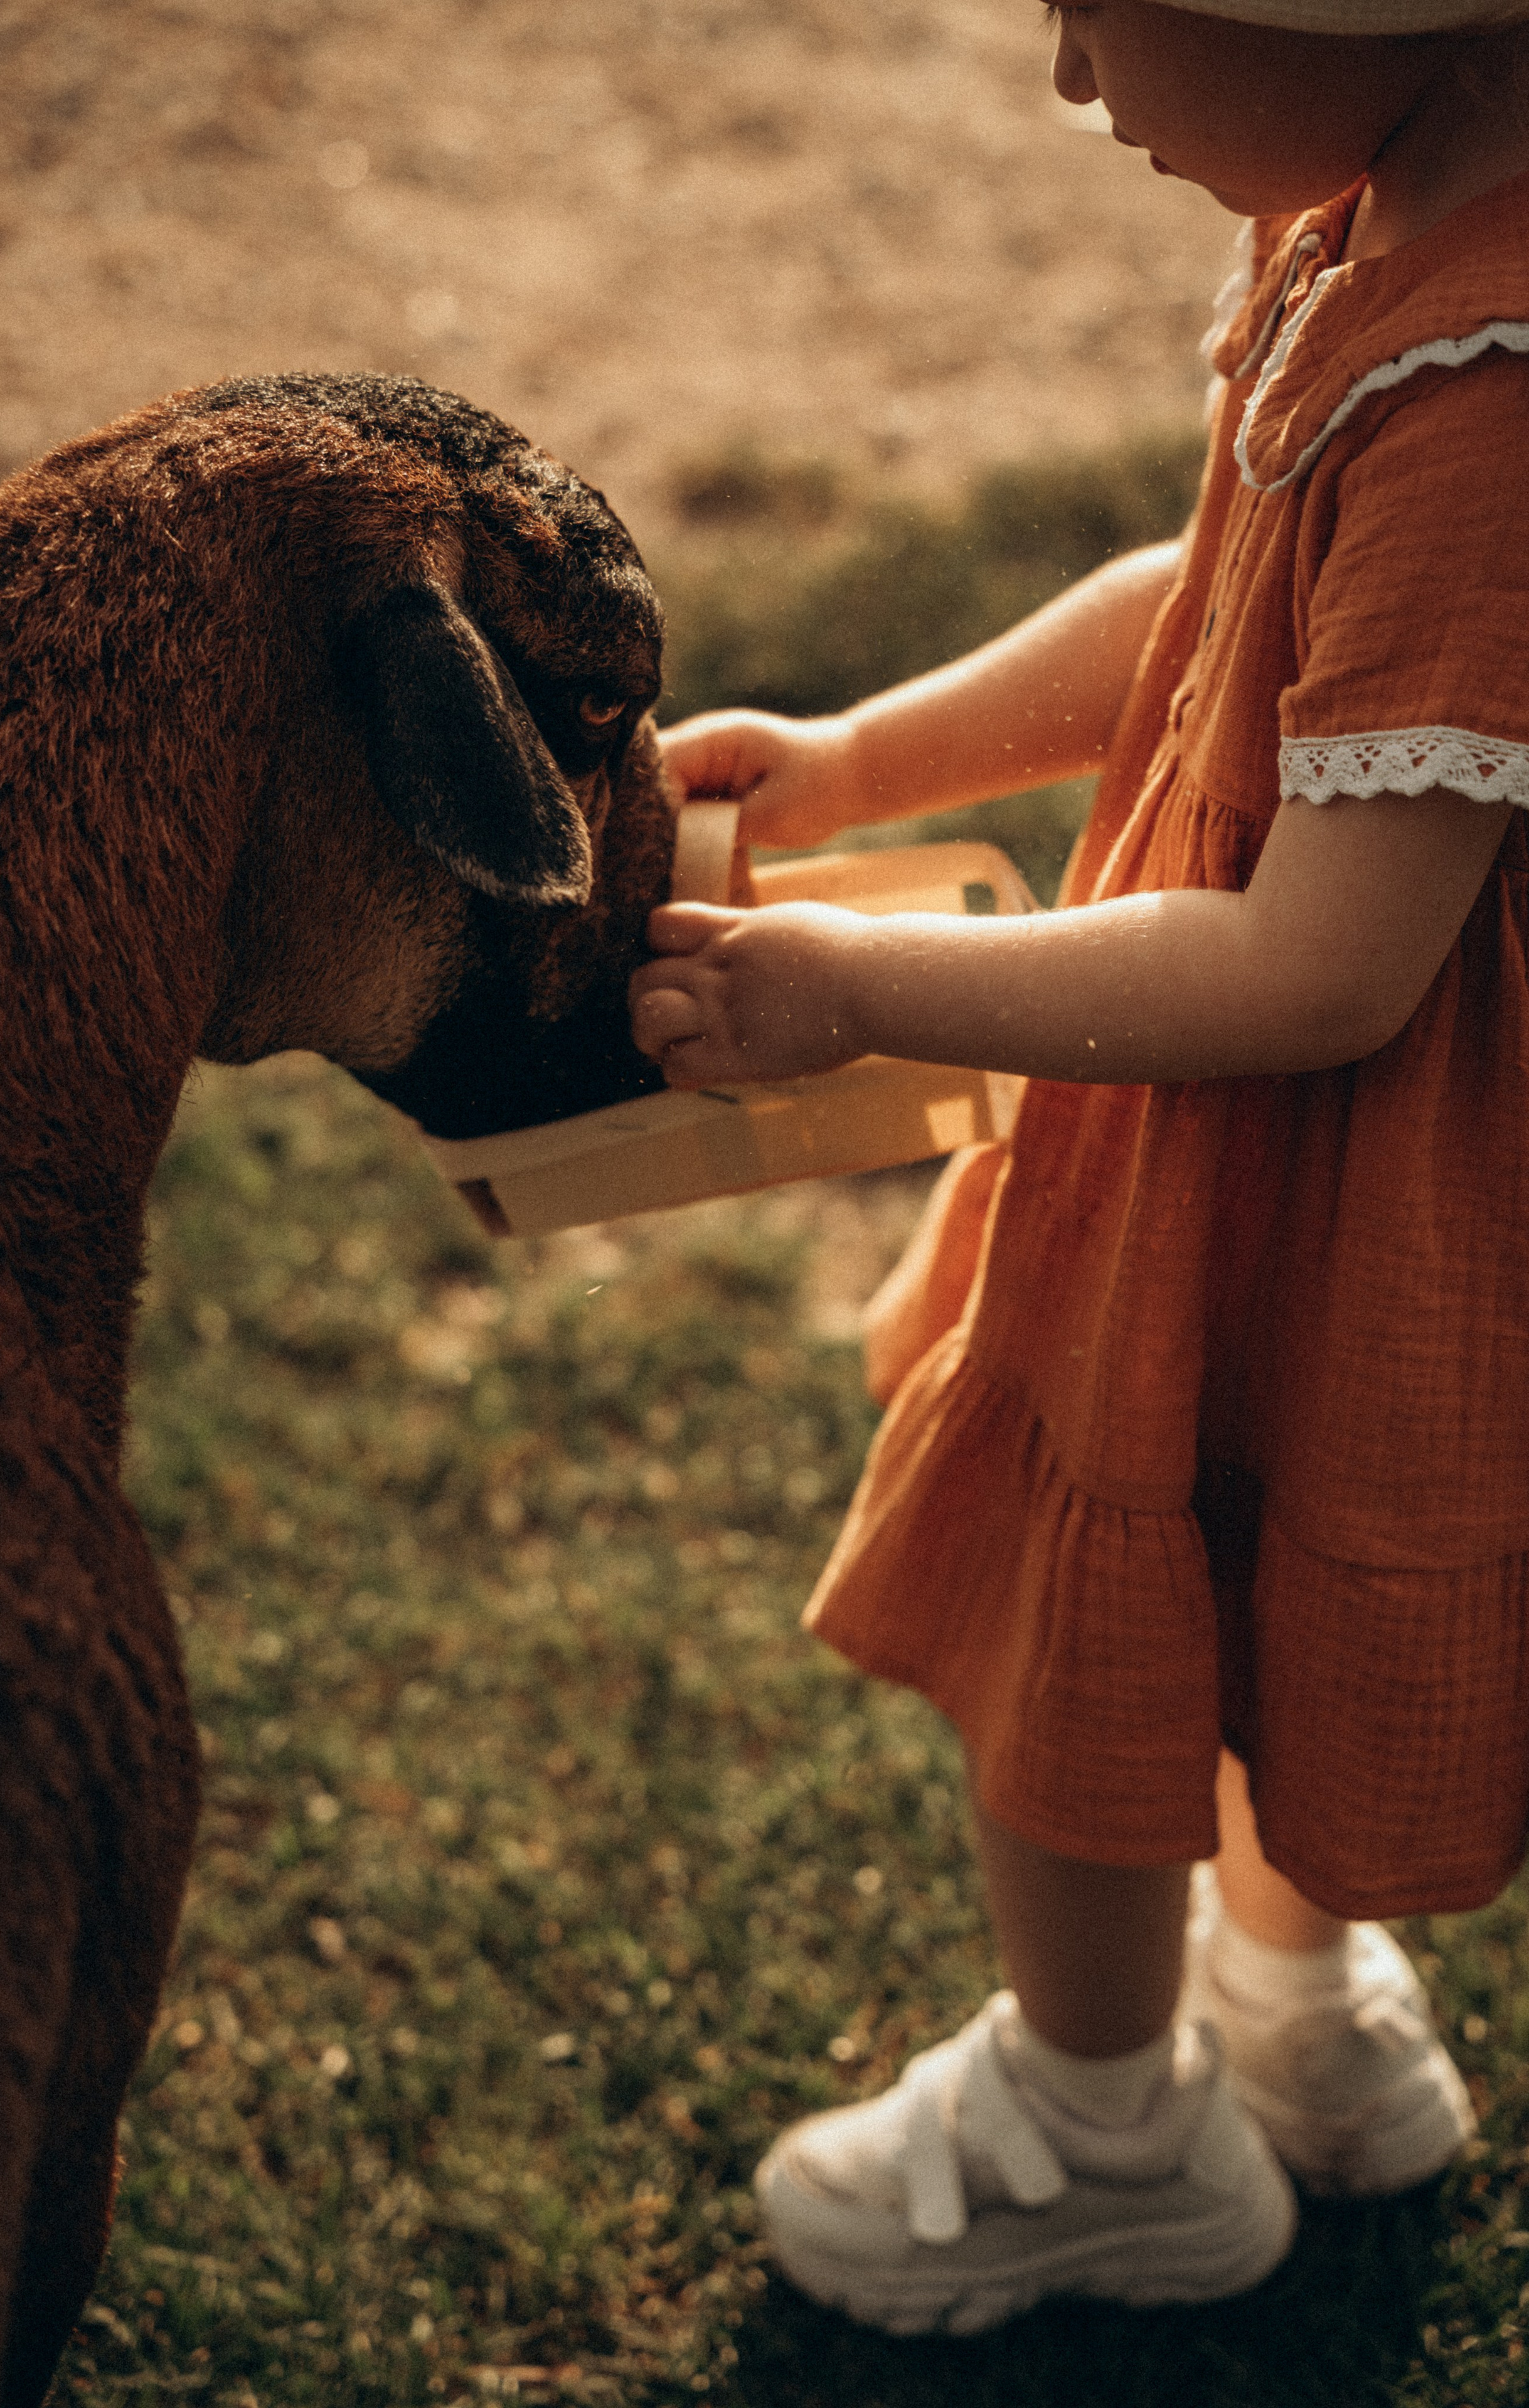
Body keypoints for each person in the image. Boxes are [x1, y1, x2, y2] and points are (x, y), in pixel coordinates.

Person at [628, 0, 1529, 2337]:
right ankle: (1303, 2018)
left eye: (1101, 10)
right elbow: (1218, 597)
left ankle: (1105, 2125)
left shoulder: (1497, 399)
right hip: (1341, 1189)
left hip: (1311, 1151)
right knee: (1257, 1547)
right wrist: (853, 761)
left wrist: (865, 989)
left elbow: (1330, 973)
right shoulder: (1391, 221)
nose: (1067, 80)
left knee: (1088, 1587)